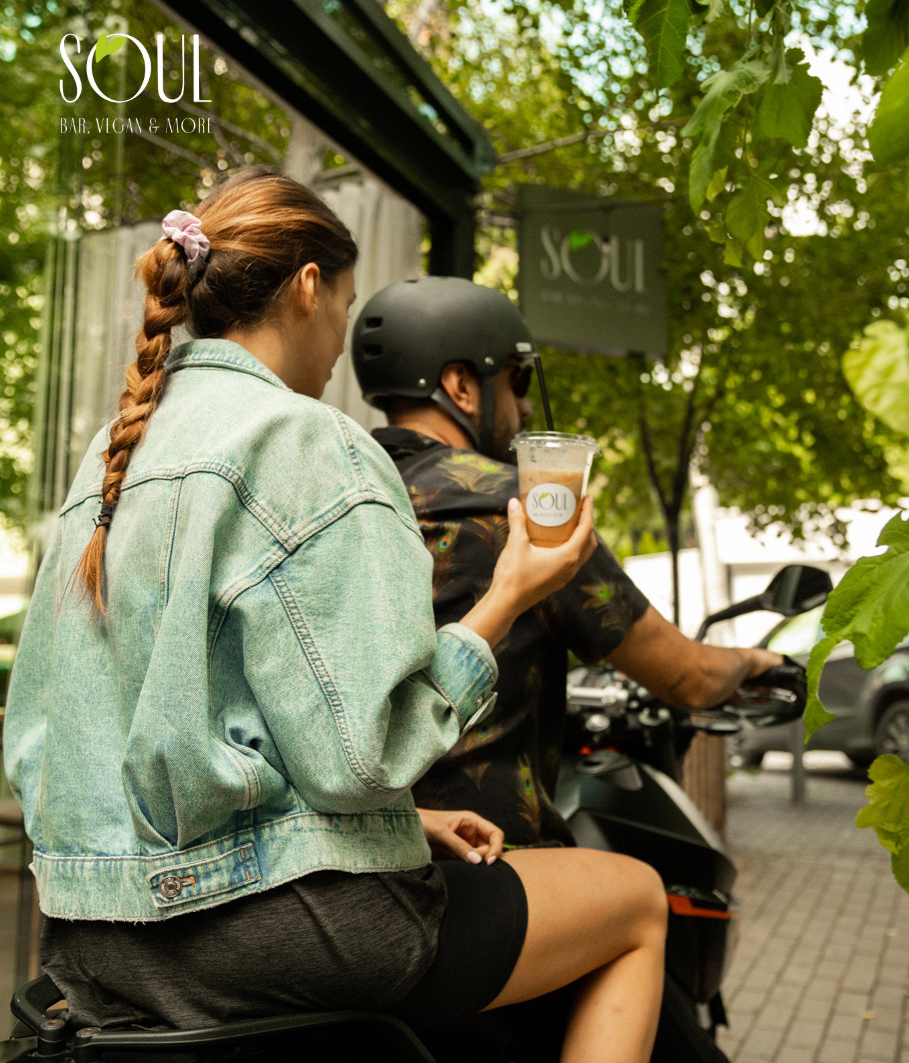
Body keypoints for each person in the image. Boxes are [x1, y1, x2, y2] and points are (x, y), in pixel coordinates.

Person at [2, 167, 669, 1063]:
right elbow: (365, 755)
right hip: (283, 936)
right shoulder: (306, 441)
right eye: (347, 312)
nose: (336, 361)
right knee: (634, 901)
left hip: (97, 943)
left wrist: (405, 826)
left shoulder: (114, 453)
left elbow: (112, 737)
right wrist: (511, 589)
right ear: (309, 288)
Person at [354, 277, 786, 1062]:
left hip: (354, 867)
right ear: (458, 384)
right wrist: (759, 661)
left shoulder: (343, 498)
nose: (521, 410)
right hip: (489, 871)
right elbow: (684, 675)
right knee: (636, 909)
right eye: (514, 383)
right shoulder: (518, 508)